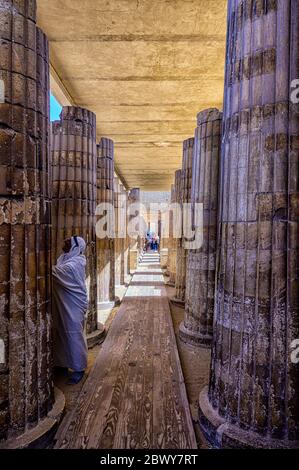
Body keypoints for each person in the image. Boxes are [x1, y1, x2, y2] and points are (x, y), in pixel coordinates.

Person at [52, 236, 88, 385]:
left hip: (73, 304)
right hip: (64, 302)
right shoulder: (65, 259)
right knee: (60, 332)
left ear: (75, 247)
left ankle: (79, 368)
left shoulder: (75, 264)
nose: (64, 242)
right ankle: (62, 363)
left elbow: (55, 273)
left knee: (74, 335)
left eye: (67, 242)